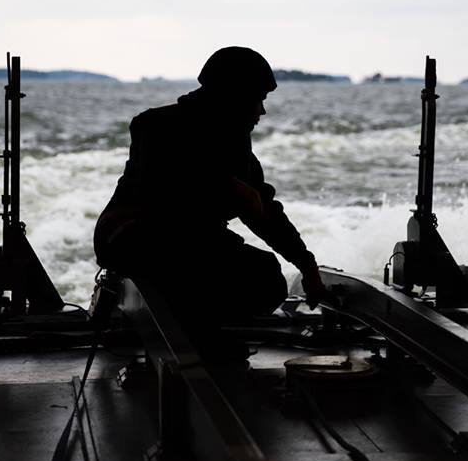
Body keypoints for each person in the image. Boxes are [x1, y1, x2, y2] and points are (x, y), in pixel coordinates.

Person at [94, 46, 327, 355]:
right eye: (258, 99)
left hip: (193, 243)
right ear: (233, 95)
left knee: (266, 278)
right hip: (132, 238)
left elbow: (265, 213)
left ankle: (198, 327)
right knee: (217, 261)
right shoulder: (155, 126)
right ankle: (195, 335)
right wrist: (231, 187)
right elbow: (168, 192)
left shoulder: (236, 143)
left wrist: (306, 265)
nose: (262, 111)